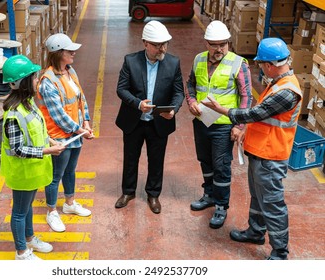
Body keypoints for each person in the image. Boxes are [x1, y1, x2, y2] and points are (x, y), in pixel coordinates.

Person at [201, 37, 302, 260]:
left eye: (262, 65)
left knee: (272, 203)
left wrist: (222, 110)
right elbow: (262, 117)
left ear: (270, 65)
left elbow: (254, 113)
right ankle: (256, 232)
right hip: (260, 152)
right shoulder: (277, 83)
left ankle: (280, 251)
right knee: (258, 198)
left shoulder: (287, 91)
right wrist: (246, 131)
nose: (262, 69)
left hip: (271, 157)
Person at [185, 20, 252, 228]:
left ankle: (221, 205)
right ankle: (209, 195)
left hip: (224, 125)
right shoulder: (198, 60)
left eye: (223, 44)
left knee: (221, 166)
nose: (219, 49)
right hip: (202, 122)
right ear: (206, 43)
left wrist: (239, 126)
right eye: (214, 44)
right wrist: (192, 102)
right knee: (204, 160)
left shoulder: (238, 63)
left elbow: (246, 97)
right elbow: (190, 84)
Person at [0, 55, 66, 260]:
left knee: (27, 207)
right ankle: (22, 252)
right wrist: (48, 151)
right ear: (24, 82)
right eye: (34, 77)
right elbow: (18, 149)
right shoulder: (13, 115)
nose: (37, 80)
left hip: (33, 171)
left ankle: (29, 239)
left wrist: (51, 141)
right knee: (19, 212)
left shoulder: (29, 103)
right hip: (21, 172)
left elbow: (38, 131)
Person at [115, 20, 185, 214]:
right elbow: (121, 89)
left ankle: (153, 194)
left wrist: (173, 110)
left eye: (164, 44)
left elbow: (179, 92)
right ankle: (128, 192)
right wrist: (138, 104)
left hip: (159, 122)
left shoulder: (173, 63)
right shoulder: (131, 61)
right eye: (156, 45)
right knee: (130, 158)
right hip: (134, 121)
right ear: (145, 43)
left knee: (156, 159)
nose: (161, 49)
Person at [36, 33, 94, 233]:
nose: (74, 53)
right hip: (59, 137)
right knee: (55, 175)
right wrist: (80, 130)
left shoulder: (71, 71)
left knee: (70, 170)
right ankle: (52, 211)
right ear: (59, 53)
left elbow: (81, 99)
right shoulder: (47, 82)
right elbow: (58, 115)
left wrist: (86, 121)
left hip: (76, 133)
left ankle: (69, 202)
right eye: (70, 51)